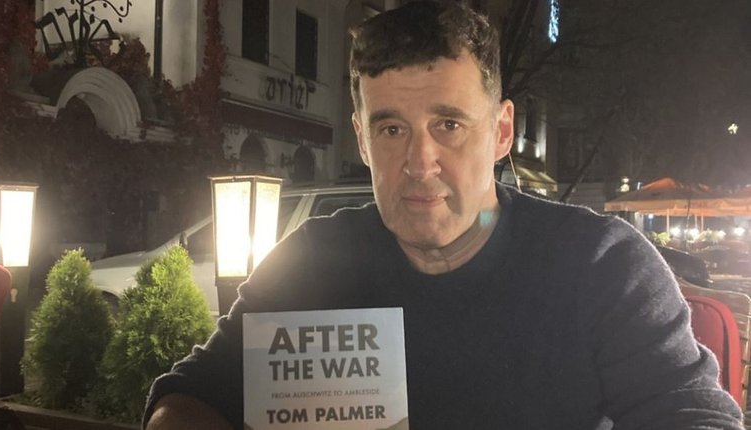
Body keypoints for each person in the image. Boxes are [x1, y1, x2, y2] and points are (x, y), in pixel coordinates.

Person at [143, 2, 744, 429]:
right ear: (360, 136)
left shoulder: (601, 266)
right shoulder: (312, 259)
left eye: (449, 125)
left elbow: (692, 413)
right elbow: (192, 393)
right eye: (392, 128)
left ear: (502, 130)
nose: (419, 161)